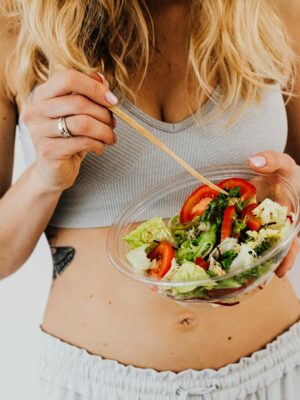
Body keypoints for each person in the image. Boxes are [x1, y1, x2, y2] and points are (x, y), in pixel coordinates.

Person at [1, 0, 300, 399]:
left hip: (277, 370)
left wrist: (291, 193)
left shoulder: (277, 9)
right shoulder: (14, 25)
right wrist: (43, 177)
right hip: (100, 387)